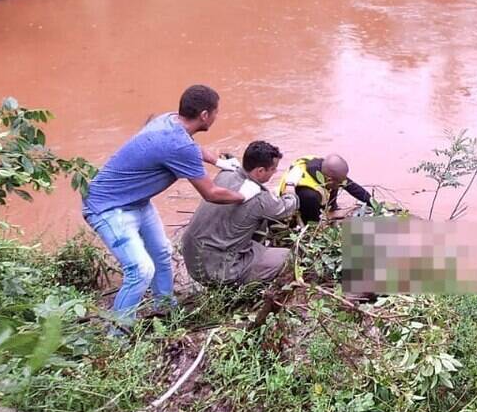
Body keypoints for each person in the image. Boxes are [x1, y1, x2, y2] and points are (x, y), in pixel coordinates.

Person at [83, 84, 243, 322]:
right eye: (216, 112)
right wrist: (246, 195)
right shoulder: (179, 145)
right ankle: (117, 334)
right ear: (204, 115)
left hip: (136, 201)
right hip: (107, 207)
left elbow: (192, 147)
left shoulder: (168, 120)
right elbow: (211, 193)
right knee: (140, 270)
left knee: (162, 253)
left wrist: (218, 162)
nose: (217, 116)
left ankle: (166, 310)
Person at [180, 140, 299, 287]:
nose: (275, 172)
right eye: (273, 169)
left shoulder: (226, 174)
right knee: (288, 256)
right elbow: (288, 208)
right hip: (217, 271)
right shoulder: (259, 198)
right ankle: (240, 288)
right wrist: (290, 185)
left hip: (192, 260)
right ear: (260, 171)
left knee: (256, 227)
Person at [276, 153, 371, 225]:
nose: (343, 184)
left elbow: (352, 187)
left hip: (320, 197)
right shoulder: (308, 195)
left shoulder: (324, 168)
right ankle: (333, 212)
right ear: (329, 179)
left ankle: (332, 210)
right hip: (304, 212)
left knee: (336, 184)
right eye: (341, 182)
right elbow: (313, 224)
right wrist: (336, 214)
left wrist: (373, 203)